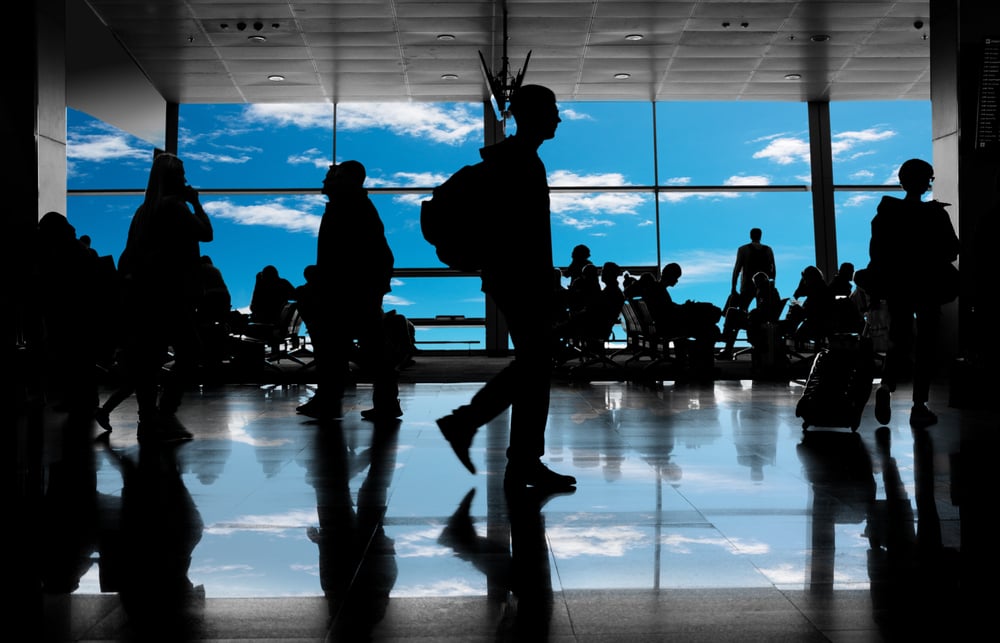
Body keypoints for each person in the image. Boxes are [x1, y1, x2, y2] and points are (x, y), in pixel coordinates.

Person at [435, 84, 576, 490]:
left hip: (514, 277)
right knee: (536, 363)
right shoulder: (519, 163)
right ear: (531, 115)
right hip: (519, 279)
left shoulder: (519, 160)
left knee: (535, 365)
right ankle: (476, 430)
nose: (558, 119)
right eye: (552, 111)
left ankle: (513, 455)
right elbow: (520, 235)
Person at [117, 151, 213, 442]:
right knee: (190, 351)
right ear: (174, 179)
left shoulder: (143, 211)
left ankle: (148, 418)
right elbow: (206, 234)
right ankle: (165, 410)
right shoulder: (177, 208)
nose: (186, 180)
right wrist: (196, 202)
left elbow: (129, 253)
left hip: (146, 293)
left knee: (149, 356)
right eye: (182, 175)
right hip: (171, 293)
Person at [296, 160, 400, 422]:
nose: (325, 181)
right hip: (355, 287)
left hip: (351, 289)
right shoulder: (353, 206)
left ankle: (332, 400)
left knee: (346, 346)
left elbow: (346, 256)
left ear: (347, 180)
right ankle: (378, 402)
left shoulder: (347, 208)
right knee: (361, 345)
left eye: (332, 176)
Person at [868, 158, 959, 427]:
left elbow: (876, 255)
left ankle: (885, 386)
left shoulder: (885, 215)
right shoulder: (936, 215)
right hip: (929, 286)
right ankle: (919, 404)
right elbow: (952, 249)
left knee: (900, 336)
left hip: (898, 286)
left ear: (902, 181)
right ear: (927, 182)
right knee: (926, 344)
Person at [729, 227, 776, 312]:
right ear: (760, 236)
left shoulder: (743, 249)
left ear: (750, 236)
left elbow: (737, 270)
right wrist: (772, 285)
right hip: (764, 286)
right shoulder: (768, 250)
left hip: (747, 285)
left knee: (742, 310)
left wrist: (733, 287)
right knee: (763, 312)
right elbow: (773, 269)